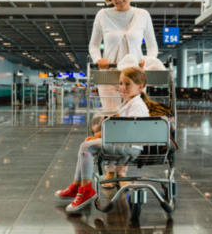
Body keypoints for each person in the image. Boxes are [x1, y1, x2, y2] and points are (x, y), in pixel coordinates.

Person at [55, 67, 153, 212]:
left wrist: (101, 137)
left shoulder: (137, 106)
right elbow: (120, 127)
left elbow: (129, 132)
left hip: (129, 147)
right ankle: (78, 186)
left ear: (140, 87)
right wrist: (97, 137)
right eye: (120, 83)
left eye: (127, 84)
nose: (122, 88)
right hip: (125, 144)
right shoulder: (129, 103)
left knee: (86, 147)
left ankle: (84, 190)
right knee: (86, 145)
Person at [89, 0, 158, 109]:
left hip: (135, 79)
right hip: (109, 78)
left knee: (135, 118)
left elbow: (152, 47)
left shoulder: (142, 15)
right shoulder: (103, 15)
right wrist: (98, 60)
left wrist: (148, 60)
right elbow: (94, 45)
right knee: (111, 117)